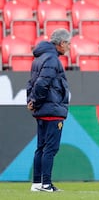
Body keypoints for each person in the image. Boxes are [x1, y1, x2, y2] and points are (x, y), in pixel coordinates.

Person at [27, 28, 71, 192]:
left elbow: (31, 83)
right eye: (68, 43)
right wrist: (36, 100)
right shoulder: (52, 59)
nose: (69, 47)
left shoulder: (38, 59)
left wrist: (31, 101)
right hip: (52, 109)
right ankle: (46, 184)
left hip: (43, 109)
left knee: (41, 147)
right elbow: (42, 83)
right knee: (50, 148)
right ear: (61, 43)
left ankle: (37, 183)